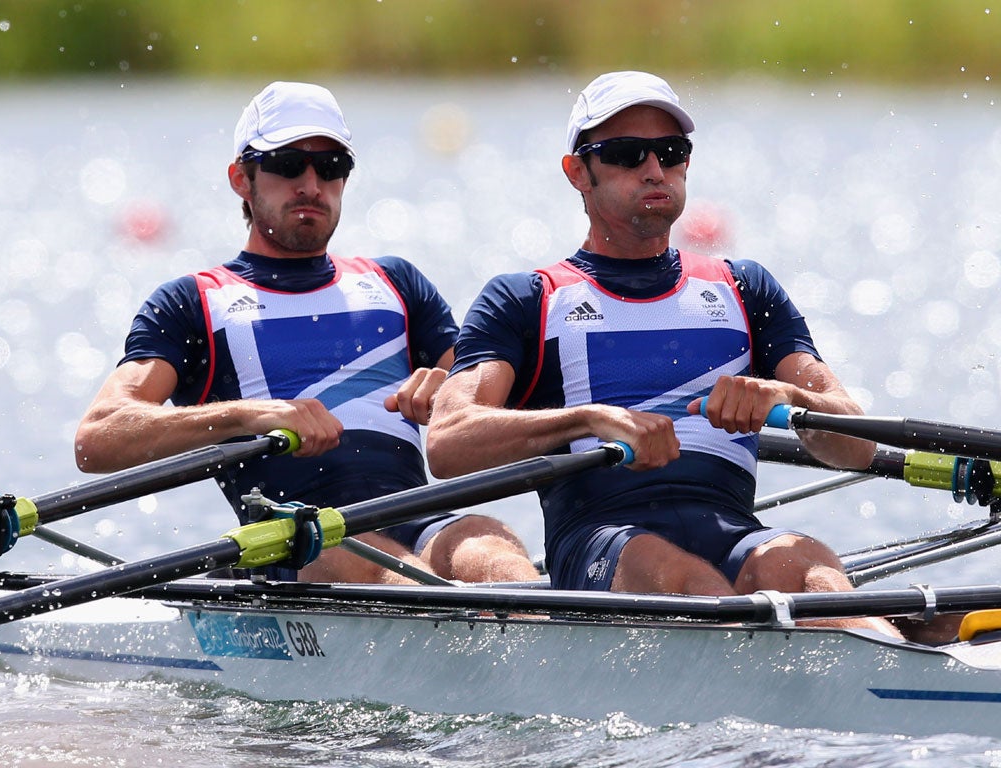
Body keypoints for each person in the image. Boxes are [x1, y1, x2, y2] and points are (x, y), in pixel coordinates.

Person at [426, 70, 903, 638]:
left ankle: (890, 660)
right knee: (680, 579)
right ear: (577, 172)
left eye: (671, 152)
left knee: (808, 568)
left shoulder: (745, 288)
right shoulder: (528, 300)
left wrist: (787, 396)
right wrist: (587, 420)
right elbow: (447, 443)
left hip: (733, 531)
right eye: (628, 154)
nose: (655, 170)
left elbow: (857, 443)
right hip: (602, 544)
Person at [74, 81, 538, 586]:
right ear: (240, 178)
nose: (312, 185)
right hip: (300, 542)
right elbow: (97, 438)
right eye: (289, 165)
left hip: (420, 516)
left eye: (331, 167)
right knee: (401, 576)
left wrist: (447, 385)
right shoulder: (193, 303)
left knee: (492, 549)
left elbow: (484, 396)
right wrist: (253, 415)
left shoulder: (397, 283)